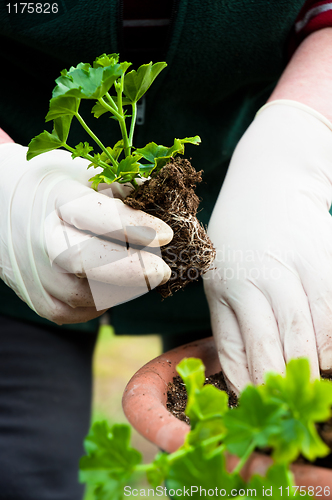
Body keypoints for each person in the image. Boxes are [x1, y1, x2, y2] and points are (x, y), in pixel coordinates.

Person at [1, 0, 332, 498]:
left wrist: (299, 137)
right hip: (22, 230)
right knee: (24, 465)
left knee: (233, 469)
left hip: (252, 223)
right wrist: (5, 182)